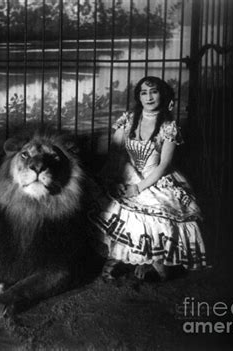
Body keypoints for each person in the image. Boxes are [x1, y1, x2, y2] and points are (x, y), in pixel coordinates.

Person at [88, 76, 207, 281]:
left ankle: (153, 262)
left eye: (154, 92)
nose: (149, 97)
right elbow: (116, 154)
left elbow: (163, 165)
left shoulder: (168, 126)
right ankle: (122, 256)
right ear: (139, 97)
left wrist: (139, 187)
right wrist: (113, 179)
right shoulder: (128, 119)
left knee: (153, 219)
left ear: (162, 95)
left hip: (155, 179)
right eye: (144, 92)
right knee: (111, 206)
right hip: (126, 173)